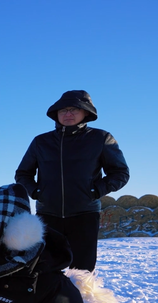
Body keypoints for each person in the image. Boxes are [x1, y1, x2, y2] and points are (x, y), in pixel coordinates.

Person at [16, 90, 129, 272]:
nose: (68, 114)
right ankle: (50, 301)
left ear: (86, 112)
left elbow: (120, 173)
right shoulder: (41, 142)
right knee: (45, 268)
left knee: (82, 271)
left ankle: (82, 300)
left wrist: (94, 191)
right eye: (63, 110)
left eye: (74, 109)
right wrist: (37, 192)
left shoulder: (100, 138)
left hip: (84, 215)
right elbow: (22, 174)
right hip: (47, 215)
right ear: (56, 114)